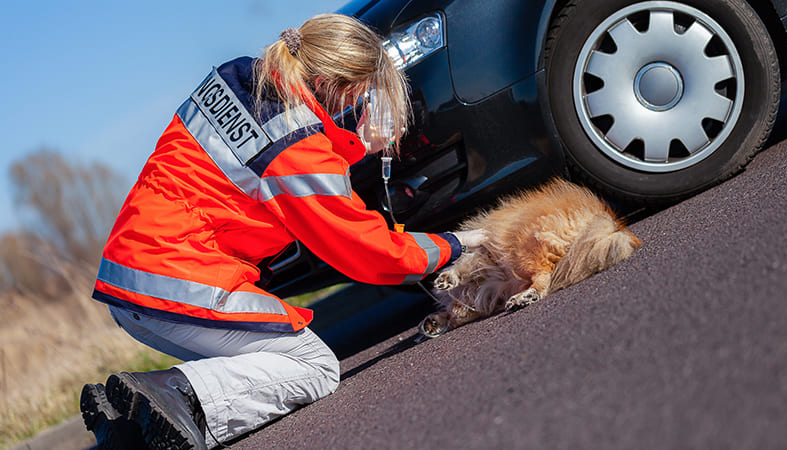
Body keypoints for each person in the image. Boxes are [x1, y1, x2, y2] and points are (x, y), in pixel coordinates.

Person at [79, 13, 486, 449]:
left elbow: (274, 173)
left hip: (131, 277)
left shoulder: (237, 76)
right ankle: (177, 394)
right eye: (363, 92)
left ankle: (129, 430)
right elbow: (371, 252)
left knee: (263, 363)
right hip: (181, 281)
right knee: (314, 367)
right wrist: (457, 243)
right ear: (343, 85)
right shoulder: (297, 148)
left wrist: (354, 146)